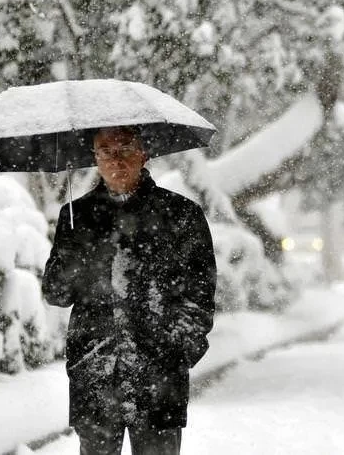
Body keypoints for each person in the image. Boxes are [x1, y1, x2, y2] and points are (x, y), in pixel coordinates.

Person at [42, 126, 217, 454]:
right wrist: (74, 253)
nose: (114, 159)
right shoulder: (76, 217)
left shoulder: (180, 215)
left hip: (159, 376)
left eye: (124, 148)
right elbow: (56, 293)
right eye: (104, 151)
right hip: (94, 372)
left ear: (144, 152)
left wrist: (177, 351)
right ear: (94, 157)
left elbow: (199, 294)